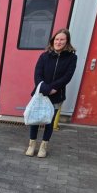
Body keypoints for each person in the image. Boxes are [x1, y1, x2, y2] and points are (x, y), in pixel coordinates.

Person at [27, 28, 78, 158]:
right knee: (35, 120)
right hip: (41, 93)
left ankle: (43, 146)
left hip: (57, 95)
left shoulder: (72, 58)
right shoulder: (44, 56)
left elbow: (68, 76)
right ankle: (32, 144)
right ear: (52, 41)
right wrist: (44, 87)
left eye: (62, 39)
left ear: (67, 41)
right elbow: (37, 73)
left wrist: (53, 88)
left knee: (49, 122)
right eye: (56, 39)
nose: (58, 42)